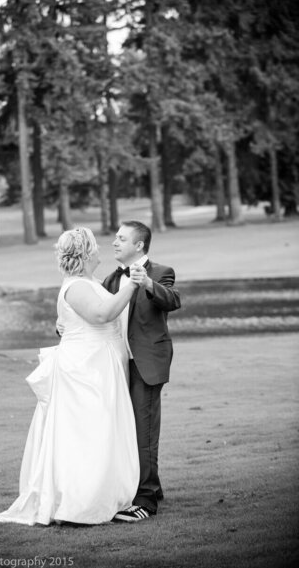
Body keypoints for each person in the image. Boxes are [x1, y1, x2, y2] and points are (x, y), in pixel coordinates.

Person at [0, 227, 142, 526]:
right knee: (87, 435)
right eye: (96, 246)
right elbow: (101, 315)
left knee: (102, 433)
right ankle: (80, 504)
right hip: (85, 369)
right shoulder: (75, 286)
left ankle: (104, 495)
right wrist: (132, 286)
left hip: (99, 364)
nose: (103, 249)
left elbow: (76, 319)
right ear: (86, 252)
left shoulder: (89, 282)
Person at [102, 220, 181, 522]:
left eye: (121, 238)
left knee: (143, 432)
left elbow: (173, 300)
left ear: (139, 245)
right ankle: (153, 486)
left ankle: (145, 502)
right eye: (115, 238)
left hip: (147, 363)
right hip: (118, 365)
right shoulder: (110, 279)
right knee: (125, 430)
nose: (115, 242)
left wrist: (148, 283)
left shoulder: (162, 272)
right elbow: (98, 313)